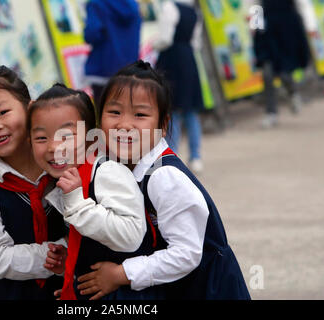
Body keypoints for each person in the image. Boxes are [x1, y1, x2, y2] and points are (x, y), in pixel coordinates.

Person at [75, 60, 250, 300]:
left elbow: (186, 253)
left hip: (208, 290)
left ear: (163, 125)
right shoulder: (116, 165)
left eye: (140, 115)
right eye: (114, 112)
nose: (124, 125)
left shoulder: (163, 176)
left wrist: (121, 274)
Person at [28, 84, 162, 300]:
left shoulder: (106, 172)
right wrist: (72, 267)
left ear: (91, 139)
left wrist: (77, 203)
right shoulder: (60, 181)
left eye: (66, 136)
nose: (53, 147)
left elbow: (131, 236)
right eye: (41, 138)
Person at [0, 66, 67, 300]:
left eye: (3, 112)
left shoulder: (64, 166)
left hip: (69, 286)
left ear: (30, 109)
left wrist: (74, 253)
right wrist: (57, 256)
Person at [154, 0, 205, 173]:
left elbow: (165, 39)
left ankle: (171, 157)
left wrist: (153, 44)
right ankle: (196, 157)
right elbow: (196, 42)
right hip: (189, 60)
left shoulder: (169, 7)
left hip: (171, 60)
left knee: (172, 110)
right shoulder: (194, 12)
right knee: (191, 110)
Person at [253, 0, 318, 128]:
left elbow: (303, 4)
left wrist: (311, 26)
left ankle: (293, 93)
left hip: (288, 27)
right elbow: (254, 5)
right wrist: (255, 26)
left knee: (284, 71)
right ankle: (271, 113)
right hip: (268, 30)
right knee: (267, 72)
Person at [83, 0, 141, 107]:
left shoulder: (96, 4)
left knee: (104, 115)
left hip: (103, 70)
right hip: (129, 70)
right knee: (127, 112)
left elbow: (91, 34)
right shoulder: (133, 5)